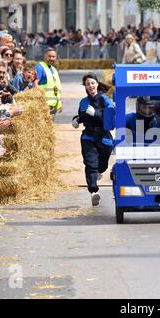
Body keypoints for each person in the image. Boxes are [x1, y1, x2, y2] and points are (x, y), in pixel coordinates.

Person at [71, 73, 114, 206]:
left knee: (102, 165)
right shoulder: (83, 102)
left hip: (104, 138)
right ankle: (94, 191)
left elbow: (111, 119)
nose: (90, 86)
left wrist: (96, 113)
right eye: (87, 84)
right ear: (85, 86)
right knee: (90, 164)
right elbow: (81, 116)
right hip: (88, 137)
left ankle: (99, 172)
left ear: (97, 84)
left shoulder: (105, 99)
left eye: (92, 83)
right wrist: (76, 120)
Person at [35, 48, 63, 116]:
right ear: (45, 56)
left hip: (53, 106)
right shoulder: (40, 67)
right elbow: (35, 83)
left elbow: (57, 88)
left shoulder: (54, 70)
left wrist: (60, 103)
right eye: (49, 56)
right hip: (44, 106)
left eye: (53, 57)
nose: (51, 58)